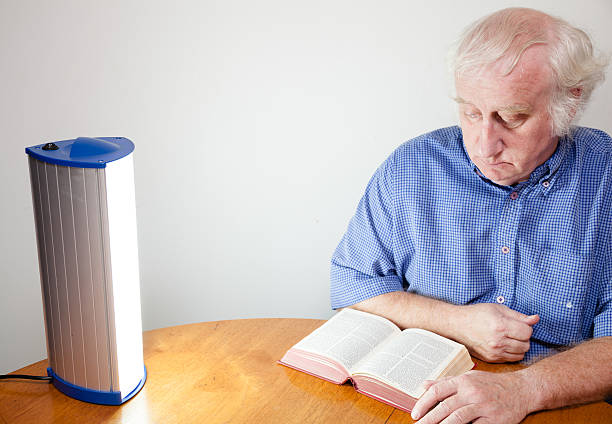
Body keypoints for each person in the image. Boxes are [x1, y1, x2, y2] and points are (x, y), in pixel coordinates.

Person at [330, 7, 611, 424]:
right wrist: (457, 321)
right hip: (421, 396)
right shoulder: (411, 168)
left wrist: (523, 389)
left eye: (512, 117)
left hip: (557, 402)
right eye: (471, 112)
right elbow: (351, 287)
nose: (483, 146)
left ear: (569, 102)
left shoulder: (605, 176)